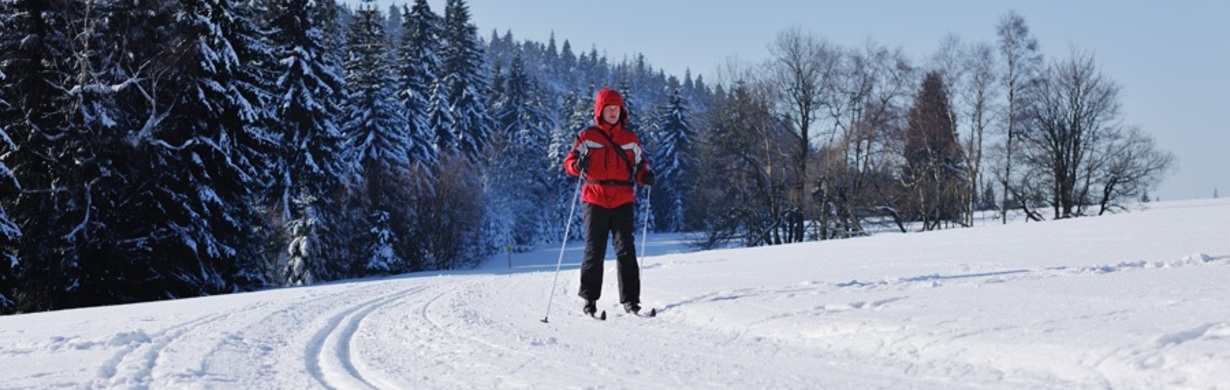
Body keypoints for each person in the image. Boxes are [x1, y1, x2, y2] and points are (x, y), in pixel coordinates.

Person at [564, 88, 655, 316]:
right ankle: (589, 301)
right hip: (594, 198)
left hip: (623, 198)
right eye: (609, 108)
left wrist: (645, 176)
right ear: (600, 110)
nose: (613, 112)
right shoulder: (587, 136)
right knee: (595, 250)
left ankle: (631, 301)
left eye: (617, 109)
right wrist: (576, 166)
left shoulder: (630, 139)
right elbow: (569, 162)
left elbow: (640, 166)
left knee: (626, 249)